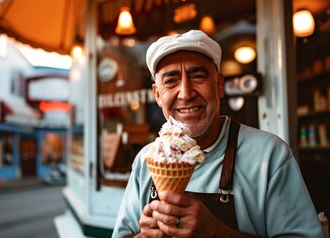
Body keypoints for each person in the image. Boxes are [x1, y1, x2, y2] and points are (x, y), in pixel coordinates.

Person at [112, 30, 323, 238]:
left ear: (219, 85)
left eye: (197, 76)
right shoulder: (146, 160)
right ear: (157, 95)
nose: (185, 94)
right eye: (170, 81)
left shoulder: (269, 155)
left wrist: (216, 233)